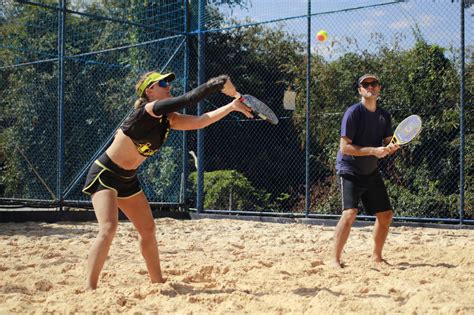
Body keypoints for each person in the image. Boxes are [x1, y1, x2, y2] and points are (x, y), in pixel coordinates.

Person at [82, 71, 252, 289]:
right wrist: (218, 83)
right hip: (106, 173)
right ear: (149, 90)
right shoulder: (148, 110)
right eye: (162, 82)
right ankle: (90, 287)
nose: (168, 85)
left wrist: (230, 107)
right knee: (108, 227)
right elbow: (188, 99)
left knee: (148, 230)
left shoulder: (167, 119)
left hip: (128, 178)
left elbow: (200, 121)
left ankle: (157, 282)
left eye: (169, 82)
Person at [332, 74, 400, 268]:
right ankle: (335, 260)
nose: (370, 86)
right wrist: (373, 151)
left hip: (370, 171)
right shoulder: (353, 113)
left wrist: (393, 147)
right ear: (360, 90)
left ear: (379, 88)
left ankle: (376, 257)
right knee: (350, 213)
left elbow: (388, 142)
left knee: (386, 215)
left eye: (374, 84)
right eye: (366, 84)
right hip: (350, 169)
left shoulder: (384, 116)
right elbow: (344, 147)